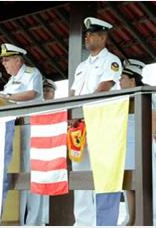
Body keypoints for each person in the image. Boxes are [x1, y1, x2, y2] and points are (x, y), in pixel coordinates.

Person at [70, 17, 122, 226]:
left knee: (102, 172)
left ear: (103, 37)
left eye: (91, 34)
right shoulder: (82, 66)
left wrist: (81, 108)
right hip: (79, 125)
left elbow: (104, 87)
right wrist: (71, 113)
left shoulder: (112, 61)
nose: (87, 37)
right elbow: (73, 92)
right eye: (86, 34)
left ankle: (104, 222)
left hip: (100, 122)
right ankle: (83, 221)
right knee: (80, 172)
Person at [0, 42, 46, 226]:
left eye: (7, 59)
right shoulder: (10, 81)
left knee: (33, 172)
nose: (4, 63)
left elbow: (33, 93)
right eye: (3, 60)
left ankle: (35, 221)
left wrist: (6, 97)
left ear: (18, 59)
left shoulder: (31, 73)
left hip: (32, 126)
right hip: (15, 130)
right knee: (21, 171)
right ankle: (19, 219)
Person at [118, 58, 146, 225]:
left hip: (143, 146)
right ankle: (132, 218)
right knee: (128, 183)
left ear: (132, 79)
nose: (119, 82)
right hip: (125, 147)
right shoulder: (121, 98)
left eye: (122, 78)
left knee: (143, 183)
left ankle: (144, 217)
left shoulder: (148, 93)